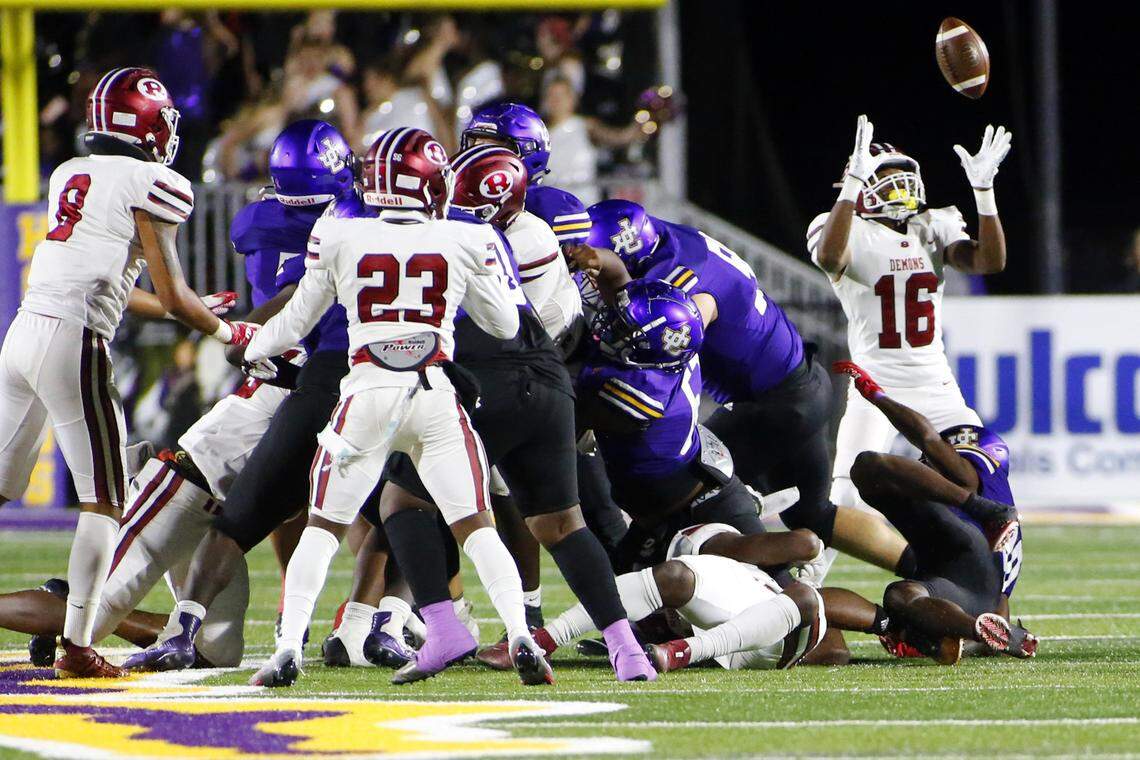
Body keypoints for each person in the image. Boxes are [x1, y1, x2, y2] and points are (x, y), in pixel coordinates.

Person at [239, 127, 552, 688]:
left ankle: (287, 648)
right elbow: (506, 325)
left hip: (365, 396)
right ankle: (520, 633)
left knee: (322, 528)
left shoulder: (338, 234)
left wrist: (246, 345)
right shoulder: (465, 236)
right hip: (434, 394)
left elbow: (293, 324)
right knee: (476, 527)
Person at [0, 67, 257, 679]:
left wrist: (186, 306)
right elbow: (171, 293)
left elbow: (113, 279)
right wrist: (229, 332)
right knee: (105, 503)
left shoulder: (71, 171)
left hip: (24, 333)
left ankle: (77, 635)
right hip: (74, 342)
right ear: (146, 124)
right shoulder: (154, 180)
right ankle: (78, 647)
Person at [122, 120, 363, 674]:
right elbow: (289, 306)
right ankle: (379, 619)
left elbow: (262, 330)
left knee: (290, 507)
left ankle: (354, 621)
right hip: (302, 377)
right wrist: (247, 338)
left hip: (288, 374)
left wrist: (247, 340)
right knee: (378, 505)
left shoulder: (261, 219)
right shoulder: (341, 224)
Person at [575, 200, 889, 582]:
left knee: (677, 496)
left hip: (771, 404)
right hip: (799, 385)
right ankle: (922, 566)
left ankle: (769, 580)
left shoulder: (680, 284)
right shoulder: (663, 238)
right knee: (813, 513)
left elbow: (670, 353)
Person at [808, 115, 1013, 573]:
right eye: (882, 174)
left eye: (900, 172)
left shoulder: (933, 225)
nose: (897, 182)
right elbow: (830, 257)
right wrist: (852, 186)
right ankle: (810, 578)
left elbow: (989, 261)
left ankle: (988, 580)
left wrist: (984, 193)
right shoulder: (839, 227)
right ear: (859, 183)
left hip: (935, 384)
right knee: (845, 490)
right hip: (876, 386)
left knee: (983, 473)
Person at [830, 360, 1033, 664]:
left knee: (868, 466)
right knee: (900, 596)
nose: (928, 460)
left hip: (966, 552)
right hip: (965, 585)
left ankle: (916, 632)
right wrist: (987, 637)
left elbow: (928, 439)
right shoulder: (990, 496)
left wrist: (877, 396)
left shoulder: (972, 475)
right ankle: (953, 634)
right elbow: (997, 606)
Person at [522, 522, 827, 674]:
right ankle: (545, 639)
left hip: (775, 633)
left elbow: (806, 545)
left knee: (808, 599)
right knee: (673, 576)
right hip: (714, 627)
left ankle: (680, 652)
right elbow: (806, 544)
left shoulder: (738, 563)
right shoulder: (690, 561)